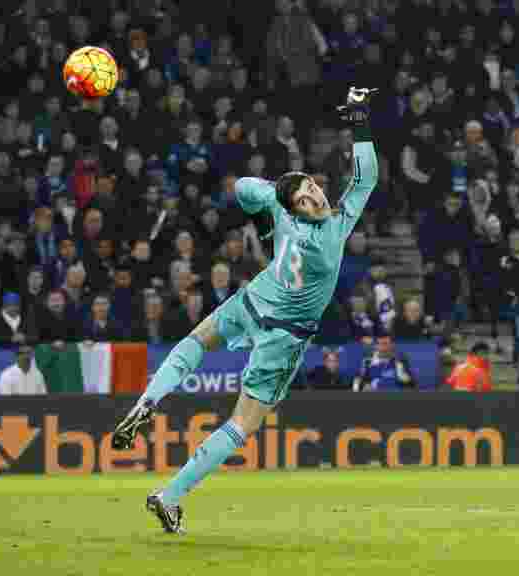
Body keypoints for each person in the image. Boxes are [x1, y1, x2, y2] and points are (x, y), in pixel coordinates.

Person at [111, 88, 378, 534]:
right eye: (309, 194)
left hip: (254, 299)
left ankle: (147, 401)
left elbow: (243, 189)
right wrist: (360, 119)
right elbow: (365, 177)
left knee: (195, 341)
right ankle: (170, 495)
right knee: (244, 422)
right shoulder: (334, 230)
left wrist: (271, 201)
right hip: (285, 333)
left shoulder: (282, 208)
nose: (315, 193)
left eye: (312, 187)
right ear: (304, 206)